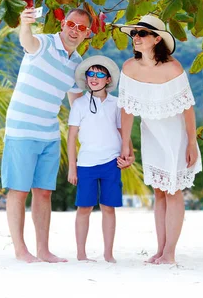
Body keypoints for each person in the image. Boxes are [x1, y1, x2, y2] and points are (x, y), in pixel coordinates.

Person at [2, 6, 92, 263]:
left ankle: (43, 250)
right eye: (72, 25)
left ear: (87, 34)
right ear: (63, 24)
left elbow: (77, 105)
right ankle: (21, 250)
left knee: (43, 192)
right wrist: (25, 23)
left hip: (49, 133)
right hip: (21, 128)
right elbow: (26, 41)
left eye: (82, 28)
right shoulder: (44, 43)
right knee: (18, 191)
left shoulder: (77, 66)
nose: (75, 31)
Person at [115, 14, 202, 265]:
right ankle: (160, 250)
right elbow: (127, 109)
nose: (136, 38)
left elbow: (188, 108)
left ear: (156, 39)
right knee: (159, 192)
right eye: (134, 34)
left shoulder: (172, 68)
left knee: (173, 191)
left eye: (142, 34)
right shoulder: (129, 68)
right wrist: (125, 144)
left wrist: (191, 143)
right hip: (151, 133)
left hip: (175, 135)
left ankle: (170, 253)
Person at [67, 56, 134, 263]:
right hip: (86, 163)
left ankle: (108, 254)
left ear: (108, 79)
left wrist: (129, 155)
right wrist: (72, 167)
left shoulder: (117, 103)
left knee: (108, 207)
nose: (94, 78)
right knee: (84, 208)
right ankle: (81, 254)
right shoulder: (78, 104)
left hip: (111, 162)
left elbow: (124, 131)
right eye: (91, 74)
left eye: (99, 74)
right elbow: (71, 137)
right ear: (86, 79)